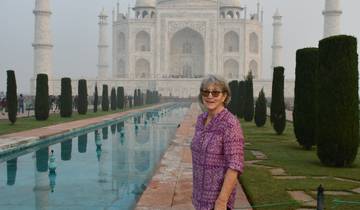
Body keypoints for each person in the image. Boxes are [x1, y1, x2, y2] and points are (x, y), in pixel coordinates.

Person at [191, 74, 244, 210]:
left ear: (224, 96)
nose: (210, 96)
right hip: (199, 198)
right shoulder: (201, 120)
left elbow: (235, 165)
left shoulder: (230, 124)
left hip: (218, 202)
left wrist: (222, 201)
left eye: (215, 92)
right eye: (206, 92)